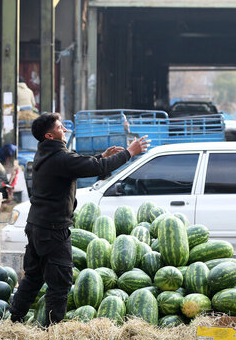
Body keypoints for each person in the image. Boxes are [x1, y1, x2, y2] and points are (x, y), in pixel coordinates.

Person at [8, 112, 150, 326]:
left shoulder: (44, 154)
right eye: (59, 127)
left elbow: (83, 165)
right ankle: (52, 330)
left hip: (37, 225)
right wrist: (130, 152)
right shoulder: (60, 158)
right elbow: (94, 168)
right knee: (60, 283)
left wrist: (101, 158)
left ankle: (14, 320)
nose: (64, 129)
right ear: (49, 135)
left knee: (34, 277)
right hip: (53, 229)